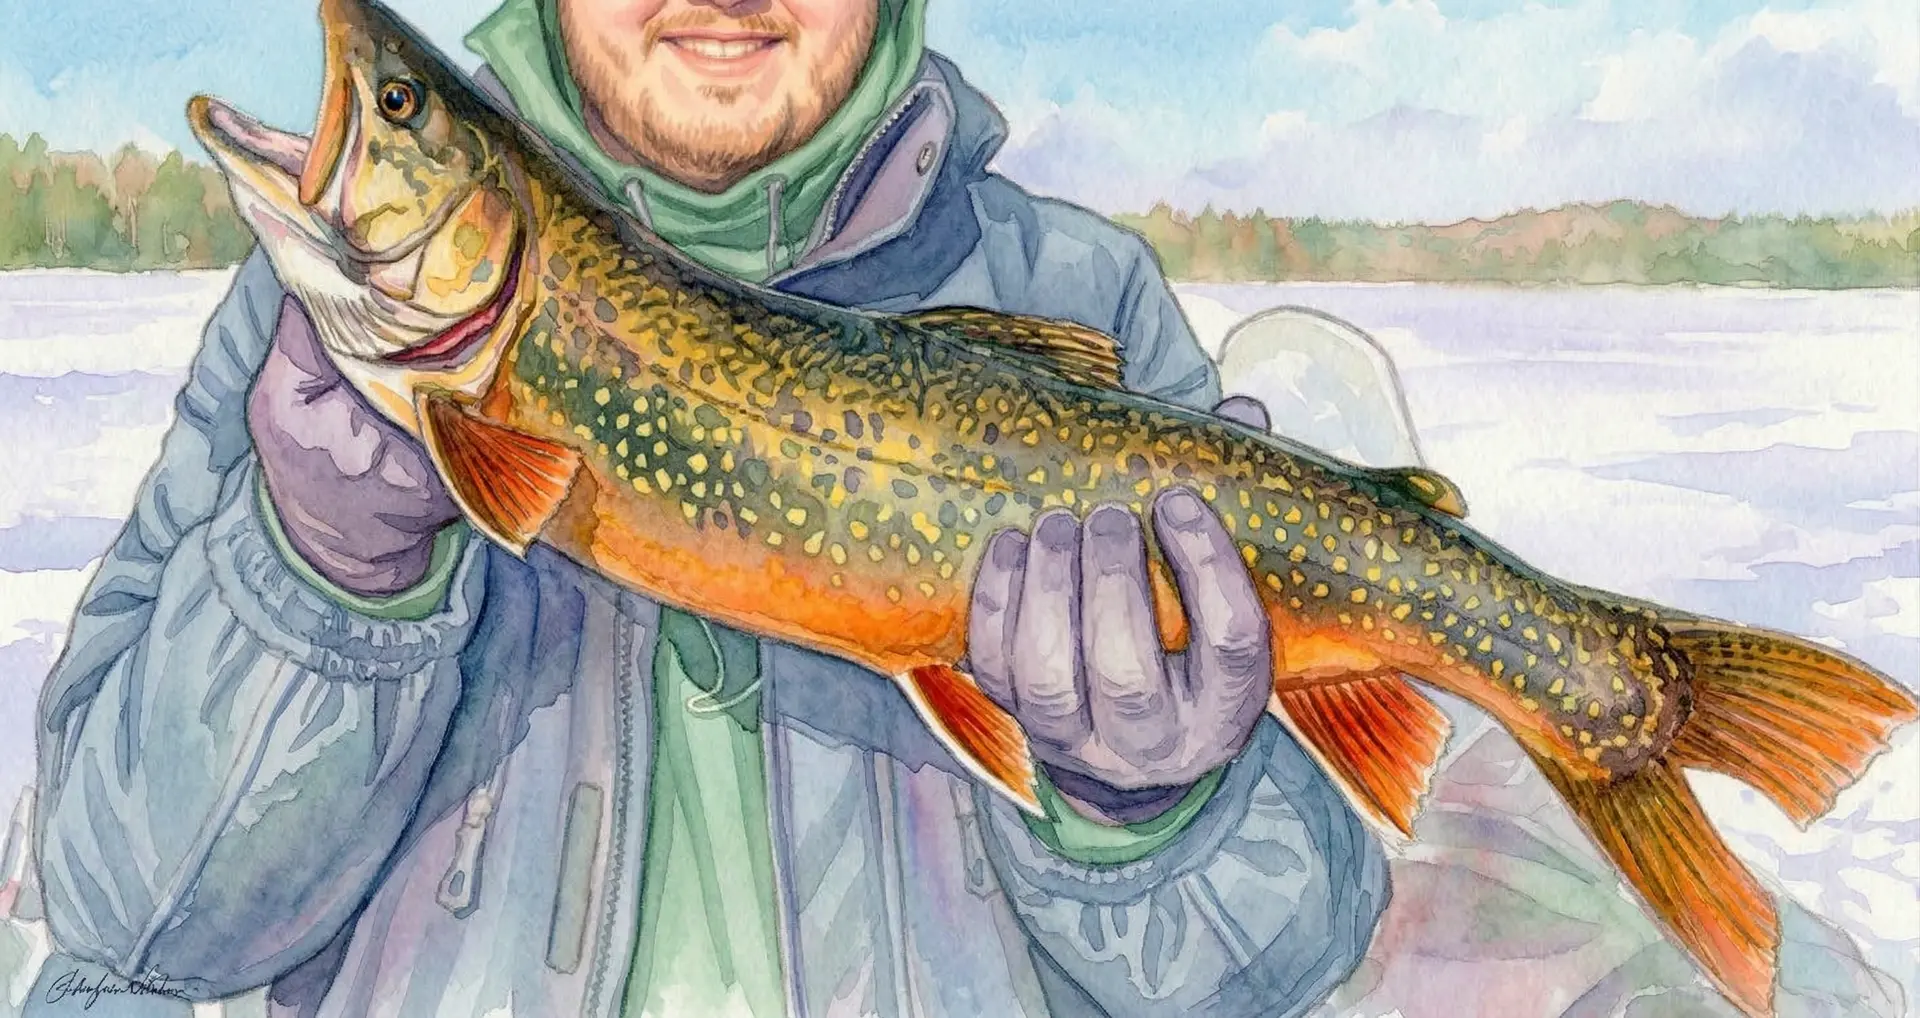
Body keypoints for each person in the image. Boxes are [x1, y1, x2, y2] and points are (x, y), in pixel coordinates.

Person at [28, 1, 1388, 1016]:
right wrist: (319, 569)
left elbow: (1281, 964)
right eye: (401, 119)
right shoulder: (307, 351)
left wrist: (1145, 805)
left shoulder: (1077, 292)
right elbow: (130, 919)